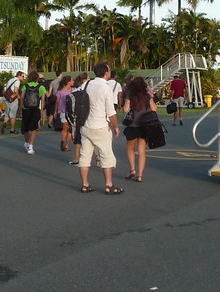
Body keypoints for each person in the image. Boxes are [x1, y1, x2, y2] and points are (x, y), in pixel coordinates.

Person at [77, 62, 122, 194]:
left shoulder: (86, 84)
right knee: (106, 155)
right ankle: (109, 185)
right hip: (100, 125)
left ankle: (85, 184)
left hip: (85, 125)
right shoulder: (105, 88)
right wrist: (115, 126)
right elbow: (110, 111)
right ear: (106, 72)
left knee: (84, 155)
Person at [122, 76, 157, 183]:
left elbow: (125, 109)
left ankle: (132, 169)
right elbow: (154, 109)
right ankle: (140, 175)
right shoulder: (147, 95)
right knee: (142, 151)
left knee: (130, 148)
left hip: (132, 125)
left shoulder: (130, 94)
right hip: (144, 126)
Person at [18, 70, 46, 155]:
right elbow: (43, 100)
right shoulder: (41, 87)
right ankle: (31, 146)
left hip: (26, 108)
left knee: (25, 127)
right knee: (33, 128)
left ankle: (26, 142)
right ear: (37, 78)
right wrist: (41, 110)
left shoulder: (25, 86)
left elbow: (22, 98)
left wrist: (20, 109)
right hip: (35, 108)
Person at [55, 74, 75, 153]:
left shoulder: (60, 92)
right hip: (71, 113)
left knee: (64, 129)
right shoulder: (73, 90)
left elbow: (57, 102)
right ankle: (67, 145)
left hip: (63, 112)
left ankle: (63, 140)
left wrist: (55, 111)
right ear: (68, 82)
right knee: (70, 130)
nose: (73, 82)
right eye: (72, 80)